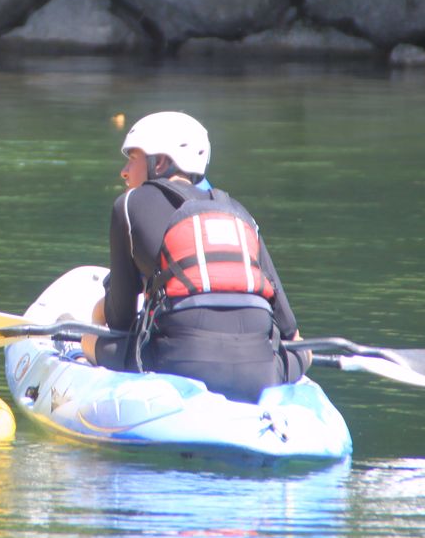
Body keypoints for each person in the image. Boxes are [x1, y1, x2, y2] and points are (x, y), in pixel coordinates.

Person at [81, 111, 309, 404]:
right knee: (304, 349)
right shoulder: (239, 213)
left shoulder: (129, 204)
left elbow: (120, 320)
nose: (124, 171)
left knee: (91, 340)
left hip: (178, 365)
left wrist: (96, 314)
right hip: (261, 373)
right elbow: (288, 327)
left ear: (159, 161)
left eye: (132, 159)